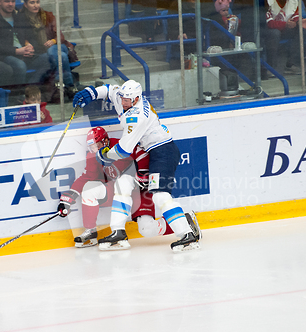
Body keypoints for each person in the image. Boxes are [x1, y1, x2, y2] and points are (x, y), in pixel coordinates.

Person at [72, 80, 202, 252]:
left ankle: (187, 234)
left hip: (162, 152)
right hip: (152, 151)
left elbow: (124, 150)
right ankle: (118, 232)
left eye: (127, 100)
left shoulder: (137, 116)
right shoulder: (124, 97)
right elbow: (110, 90)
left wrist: (105, 155)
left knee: (160, 196)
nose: (123, 102)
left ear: (136, 99)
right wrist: (90, 93)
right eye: (123, 99)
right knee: (123, 183)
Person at [57, 126, 186, 248]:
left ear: (106, 141)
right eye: (91, 147)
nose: (94, 150)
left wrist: (142, 174)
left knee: (147, 229)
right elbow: (87, 176)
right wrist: (67, 199)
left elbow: (141, 153)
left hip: (139, 192)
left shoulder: (120, 146)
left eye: (97, 146)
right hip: (117, 190)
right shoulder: (93, 155)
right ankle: (92, 232)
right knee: (90, 188)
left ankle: (186, 222)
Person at [16, 0, 78, 97]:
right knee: (60, 56)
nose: (36, 5)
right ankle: (69, 85)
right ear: (25, 5)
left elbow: (61, 37)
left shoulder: (48, 16)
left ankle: (59, 82)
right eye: (32, 3)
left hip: (59, 46)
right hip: (42, 54)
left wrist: (53, 41)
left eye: (37, 2)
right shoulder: (22, 19)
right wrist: (26, 43)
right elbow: (21, 37)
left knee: (53, 51)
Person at [0, 0, 50, 85]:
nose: (10, 4)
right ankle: (19, 95)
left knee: (48, 58)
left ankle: (31, 89)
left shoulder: (20, 16)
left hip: (25, 54)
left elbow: (31, 37)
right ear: (0, 2)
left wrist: (30, 47)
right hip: (5, 56)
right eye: (7, 1)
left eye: (13, 1)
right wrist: (16, 51)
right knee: (20, 65)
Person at [264, 0, 306, 75]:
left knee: (301, 30)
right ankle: (270, 68)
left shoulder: (293, 1)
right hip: (269, 31)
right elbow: (269, 23)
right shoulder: (268, 2)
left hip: (285, 28)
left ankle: (291, 64)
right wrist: (286, 24)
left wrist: (299, 21)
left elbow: (295, 15)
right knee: (275, 33)